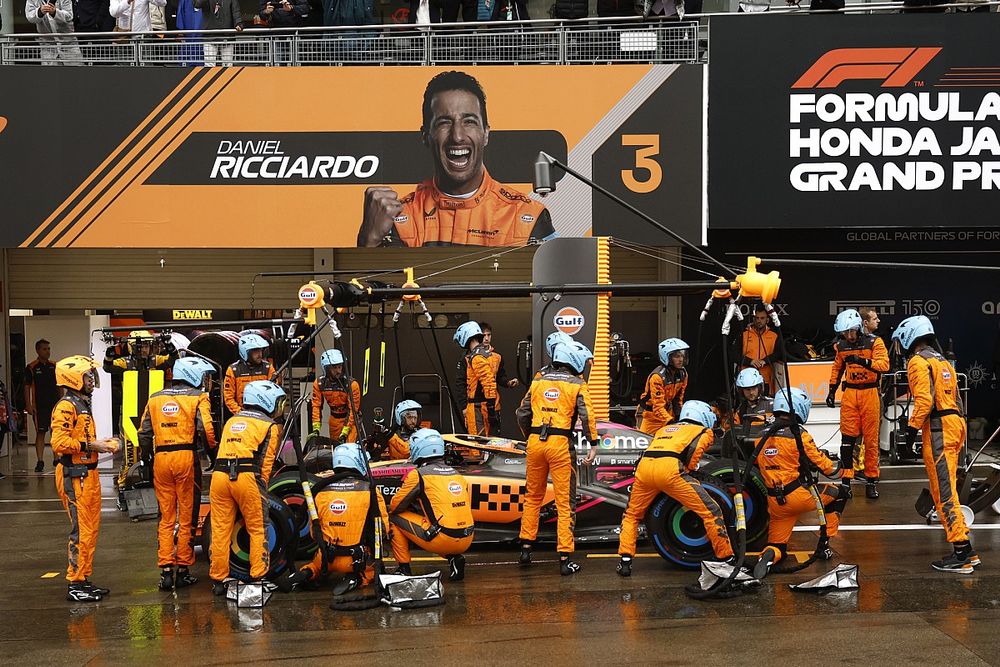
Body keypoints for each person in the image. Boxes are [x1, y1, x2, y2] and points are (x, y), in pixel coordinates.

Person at [358, 71, 554, 248]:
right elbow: (371, 285)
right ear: (426, 135)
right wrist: (368, 241)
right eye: (444, 123)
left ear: (485, 134)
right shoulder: (400, 218)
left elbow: (558, 285)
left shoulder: (527, 216)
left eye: (469, 122)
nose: (457, 136)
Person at [893, 316, 979, 574]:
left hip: (939, 429)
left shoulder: (918, 362)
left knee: (943, 492)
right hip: (954, 426)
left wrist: (909, 433)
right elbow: (957, 399)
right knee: (949, 487)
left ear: (909, 337)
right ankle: (967, 551)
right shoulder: (943, 361)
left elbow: (923, 402)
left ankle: (961, 551)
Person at [617, 401, 732, 577]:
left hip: (644, 470)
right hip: (670, 472)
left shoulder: (664, 429)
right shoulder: (703, 431)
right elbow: (694, 455)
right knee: (711, 510)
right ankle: (726, 558)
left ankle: (625, 560)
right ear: (702, 415)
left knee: (631, 515)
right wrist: (689, 472)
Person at [516, 342, 599, 575]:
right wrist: (593, 444)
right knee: (565, 503)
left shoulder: (538, 380)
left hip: (535, 443)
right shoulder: (577, 384)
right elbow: (587, 415)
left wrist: (531, 436)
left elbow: (521, 412)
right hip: (560, 445)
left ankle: (525, 548)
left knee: (532, 496)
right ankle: (564, 558)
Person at [138, 358, 216, 591]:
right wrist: (213, 452)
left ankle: (165, 572)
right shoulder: (198, 397)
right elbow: (207, 429)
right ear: (192, 375)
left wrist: (146, 458)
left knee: (165, 517)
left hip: (161, 459)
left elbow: (144, 432)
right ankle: (182, 569)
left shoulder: (155, 397)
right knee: (187, 517)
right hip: (186, 459)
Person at [753, 388, 845, 579]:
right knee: (838, 493)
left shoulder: (760, 436)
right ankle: (824, 545)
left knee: (778, 546)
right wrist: (846, 470)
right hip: (798, 495)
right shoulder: (799, 435)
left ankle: (769, 556)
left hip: (775, 502)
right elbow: (827, 468)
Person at [51, 355, 121, 602]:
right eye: (87, 376)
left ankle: (83, 578)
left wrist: (100, 445)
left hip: (87, 476)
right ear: (73, 378)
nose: (91, 381)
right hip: (74, 476)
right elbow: (59, 443)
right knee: (80, 531)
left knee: (90, 530)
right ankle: (75, 583)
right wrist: (93, 445)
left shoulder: (80, 404)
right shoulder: (66, 406)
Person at [282, 443, 390, 594]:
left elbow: (314, 532)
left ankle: (306, 573)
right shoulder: (370, 489)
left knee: (316, 565)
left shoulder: (320, 490)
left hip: (325, 557)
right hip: (355, 559)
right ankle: (359, 578)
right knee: (373, 569)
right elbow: (382, 529)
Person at [210, 380, 285, 594]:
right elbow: (266, 464)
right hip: (247, 477)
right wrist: (263, 490)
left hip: (219, 476)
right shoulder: (268, 426)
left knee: (220, 529)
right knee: (258, 527)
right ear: (266, 400)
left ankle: (219, 579)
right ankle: (258, 578)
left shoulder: (232, 420)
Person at [390, 429, 474, 581]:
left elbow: (396, 505)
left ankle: (403, 568)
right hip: (467, 537)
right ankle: (454, 558)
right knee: (439, 521)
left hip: (443, 539)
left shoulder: (419, 474)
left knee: (393, 518)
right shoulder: (457, 474)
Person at [827, 308, 889, 500]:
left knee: (870, 441)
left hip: (870, 393)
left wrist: (862, 361)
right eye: (845, 333)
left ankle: (871, 481)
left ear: (859, 327)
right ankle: (846, 482)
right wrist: (831, 390)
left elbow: (884, 365)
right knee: (847, 441)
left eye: (852, 331)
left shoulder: (874, 342)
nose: (849, 336)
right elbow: (837, 368)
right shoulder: (841, 346)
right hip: (850, 394)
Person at [453, 322, 499, 437]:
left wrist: (491, 409)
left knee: (478, 446)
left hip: (478, 408)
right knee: (483, 444)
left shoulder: (477, 356)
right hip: (480, 406)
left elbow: (488, 382)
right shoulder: (481, 354)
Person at [635, 338, 688, 435]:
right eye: (676, 356)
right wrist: (671, 421)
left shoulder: (683, 374)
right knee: (644, 443)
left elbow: (678, 399)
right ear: (667, 357)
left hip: (667, 413)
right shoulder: (657, 377)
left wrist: (679, 417)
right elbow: (657, 407)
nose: (681, 359)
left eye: (682, 356)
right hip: (649, 416)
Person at [311, 349, 361, 444]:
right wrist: (316, 428)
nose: (338, 371)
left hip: (351, 422)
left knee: (348, 448)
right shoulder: (320, 383)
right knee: (335, 448)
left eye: (340, 367)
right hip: (334, 421)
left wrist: (345, 431)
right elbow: (316, 406)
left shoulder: (351, 384)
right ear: (326, 368)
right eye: (334, 368)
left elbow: (353, 411)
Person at [25, 339, 59, 473]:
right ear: (38, 351)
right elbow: (26, 387)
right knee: (41, 432)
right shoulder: (31, 367)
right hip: (39, 406)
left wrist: (61, 401)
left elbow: (59, 385)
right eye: (45, 349)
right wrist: (29, 405)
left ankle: (57, 459)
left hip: (54, 405)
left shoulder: (54, 366)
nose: (48, 351)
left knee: (55, 432)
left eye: (49, 349)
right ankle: (40, 461)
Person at [223, 333, 276, 417]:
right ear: (245, 352)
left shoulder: (268, 368)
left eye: (260, 350)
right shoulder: (233, 370)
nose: (260, 354)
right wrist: (240, 413)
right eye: (255, 351)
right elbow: (228, 398)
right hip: (241, 414)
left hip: (264, 415)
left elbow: (274, 394)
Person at [26, 0, 84, 65]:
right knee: (50, 74)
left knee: (76, 73)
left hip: (68, 45)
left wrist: (55, 12)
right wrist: (40, 12)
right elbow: (29, 16)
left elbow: (69, 16)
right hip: (48, 47)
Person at [738, 306, 780, 394]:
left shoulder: (774, 336)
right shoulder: (744, 334)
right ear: (753, 319)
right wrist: (750, 361)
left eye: (762, 318)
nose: (759, 321)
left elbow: (778, 354)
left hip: (766, 379)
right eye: (757, 318)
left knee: (765, 406)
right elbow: (733, 355)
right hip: (746, 380)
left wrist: (765, 361)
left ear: (767, 320)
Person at [104, 331, 177, 374]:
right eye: (140, 347)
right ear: (131, 347)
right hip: (131, 398)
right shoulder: (125, 362)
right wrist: (109, 353)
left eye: (146, 346)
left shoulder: (155, 360)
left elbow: (174, 360)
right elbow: (108, 367)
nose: (144, 350)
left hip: (153, 398)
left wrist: (168, 344)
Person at [195, 0, 242, 66]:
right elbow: (197, 4)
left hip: (227, 37)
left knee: (227, 66)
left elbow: (236, 11)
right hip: (210, 37)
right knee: (209, 66)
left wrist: (238, 23)